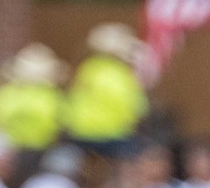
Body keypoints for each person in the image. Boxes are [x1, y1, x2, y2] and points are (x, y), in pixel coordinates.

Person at [63, 23, 149, 155]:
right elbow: (137, 107)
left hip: (81, 134)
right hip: (115, 136)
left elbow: (72, 101)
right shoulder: (124, 75)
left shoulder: (87, 69)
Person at [0, 44, 68, 153]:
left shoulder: (6, 93)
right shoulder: (52, 96)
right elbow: (63, 124)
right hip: (39, 150)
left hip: (9, 149)